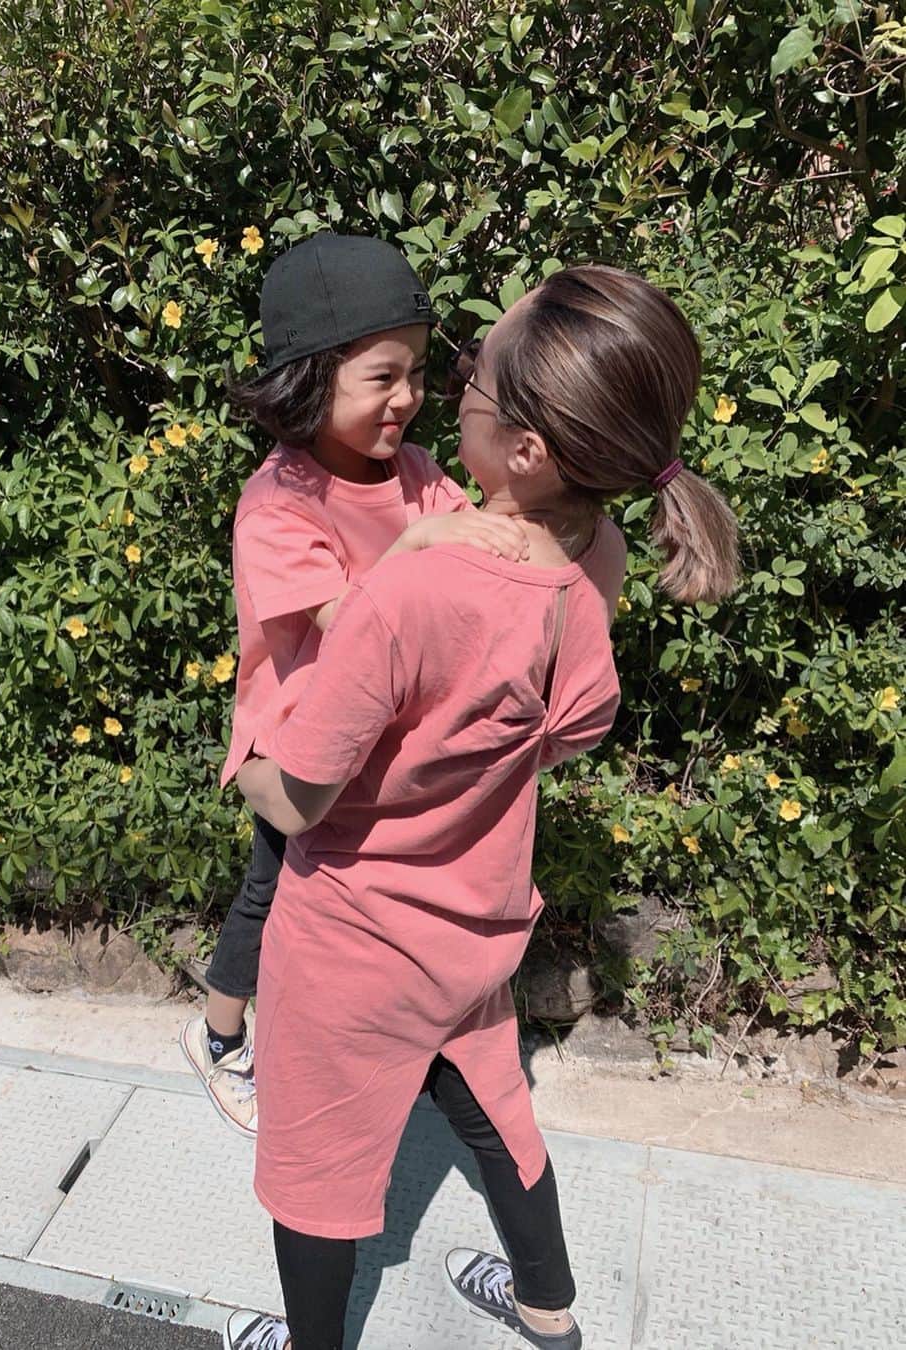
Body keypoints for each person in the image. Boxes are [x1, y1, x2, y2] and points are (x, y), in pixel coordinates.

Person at [221, 265, 740, 1350]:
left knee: (317, 1172)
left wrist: (248, 752)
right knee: (492, 1104)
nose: (449, 389)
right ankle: (548, 1309)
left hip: (355, 938)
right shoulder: (597, 552)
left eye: (471, 376)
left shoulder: (409, 593)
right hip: (480, 914)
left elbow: (301, 800)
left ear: (528, 450)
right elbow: (564, 722)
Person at [180, 234, 532, 1137]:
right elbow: (358, 633)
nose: (407, 398)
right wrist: (421, 544)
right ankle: (219, 1036)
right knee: (271, 891)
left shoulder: (414, 474)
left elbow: (472, 560)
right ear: (310, 379)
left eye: (415, 373)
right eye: (382, 377)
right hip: (297, 743)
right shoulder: (278, 506)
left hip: (377, 741)